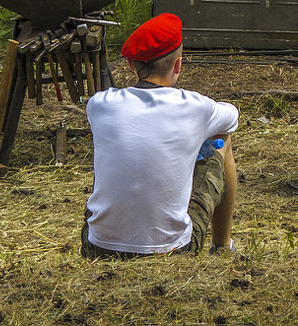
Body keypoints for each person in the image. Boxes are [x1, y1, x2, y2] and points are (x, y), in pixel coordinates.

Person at [82, 13, 240, 258]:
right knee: (223, 139)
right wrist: (196, 138)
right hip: (173, 249)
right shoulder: (196, 107)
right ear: (178, 65)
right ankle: (222, 247)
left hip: (98, 247)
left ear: (131, 65)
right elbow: (232, 118)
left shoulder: (100, 104)